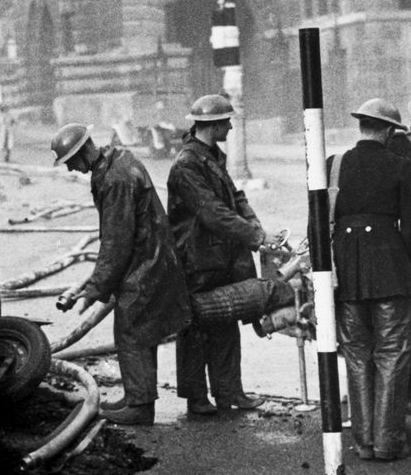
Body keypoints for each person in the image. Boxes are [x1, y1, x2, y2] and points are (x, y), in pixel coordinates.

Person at [51, 123, 190, 426]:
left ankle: (140, 406)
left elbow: (116, 241)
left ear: (85, 151)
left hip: (145, 264)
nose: (72, 169)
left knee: (132, 331)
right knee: (140, 331)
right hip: (151, 259)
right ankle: (136, 396)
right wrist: (95, 285)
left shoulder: (115, 179)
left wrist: (94, 289)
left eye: (72, 161)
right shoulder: (119, 162)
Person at [166, 94, 281, 416]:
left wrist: (255, 225)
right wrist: (256, 236)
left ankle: (230, 393)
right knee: (195, 327)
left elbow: (236, 197)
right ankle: (197, 397)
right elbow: (212, 213)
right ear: (212, 125)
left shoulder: (211, 155)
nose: (231, 126)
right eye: (226, 121)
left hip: (220, 255)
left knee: (226, 322)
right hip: (197, 258)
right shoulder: (187, 164)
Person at [328, 99, 411, 461]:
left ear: (362, 127)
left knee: (356, 355)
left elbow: (317, 223)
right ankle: (389, 442)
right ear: (387, 131)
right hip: (389, 271)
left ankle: (364, 442)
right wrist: (403, 264)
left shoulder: (334, 166)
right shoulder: (400, 166)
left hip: (346, 273)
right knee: (393, 355)